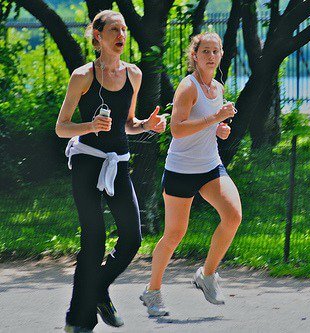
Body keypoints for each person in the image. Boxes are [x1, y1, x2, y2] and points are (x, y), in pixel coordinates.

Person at [55, 10, 166, 332]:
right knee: (94, 241)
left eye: (124, 29)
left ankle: (99, 289)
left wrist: (147, 125)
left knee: (132, 237)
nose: (121, 35)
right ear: (97, 36)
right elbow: (62, 127)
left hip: (117, 163)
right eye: (114, 29)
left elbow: (128, 124)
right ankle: (80, 321)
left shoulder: (134, 74)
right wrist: (89, 125)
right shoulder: (83, 76)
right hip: (87, 161)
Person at [140, 32, 242, 316]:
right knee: (174, 234)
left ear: (221, 55)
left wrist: (220, 129)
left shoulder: (217, 88)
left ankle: (207, 275)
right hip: (181, 170)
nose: (211, 56)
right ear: (194, 56)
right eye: (205, 51)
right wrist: (215, 119)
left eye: (216, 51)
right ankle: (152, 291)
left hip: (209, 166)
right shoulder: (188, 87)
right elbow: (177, 129)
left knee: (233, 216)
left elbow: (211, 126)